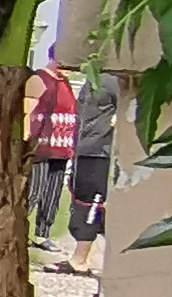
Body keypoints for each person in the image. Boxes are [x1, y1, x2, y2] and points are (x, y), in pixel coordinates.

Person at [65, 68, 117, 275]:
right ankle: (82, 255)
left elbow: (131, 109)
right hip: (82, 150)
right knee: (80, 198)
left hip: (101, 152)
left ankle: (80, 259)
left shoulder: (113, 79)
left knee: (92, 202)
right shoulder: (92, 79)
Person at [25, 69, 78, 249]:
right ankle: (17, 229)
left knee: (52, 194)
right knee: (34, 191)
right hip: (42, 145)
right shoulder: (40, 78)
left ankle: (43, 234)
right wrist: (27, 135)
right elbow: (28, 109)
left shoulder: (64, 83)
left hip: (62, 146)